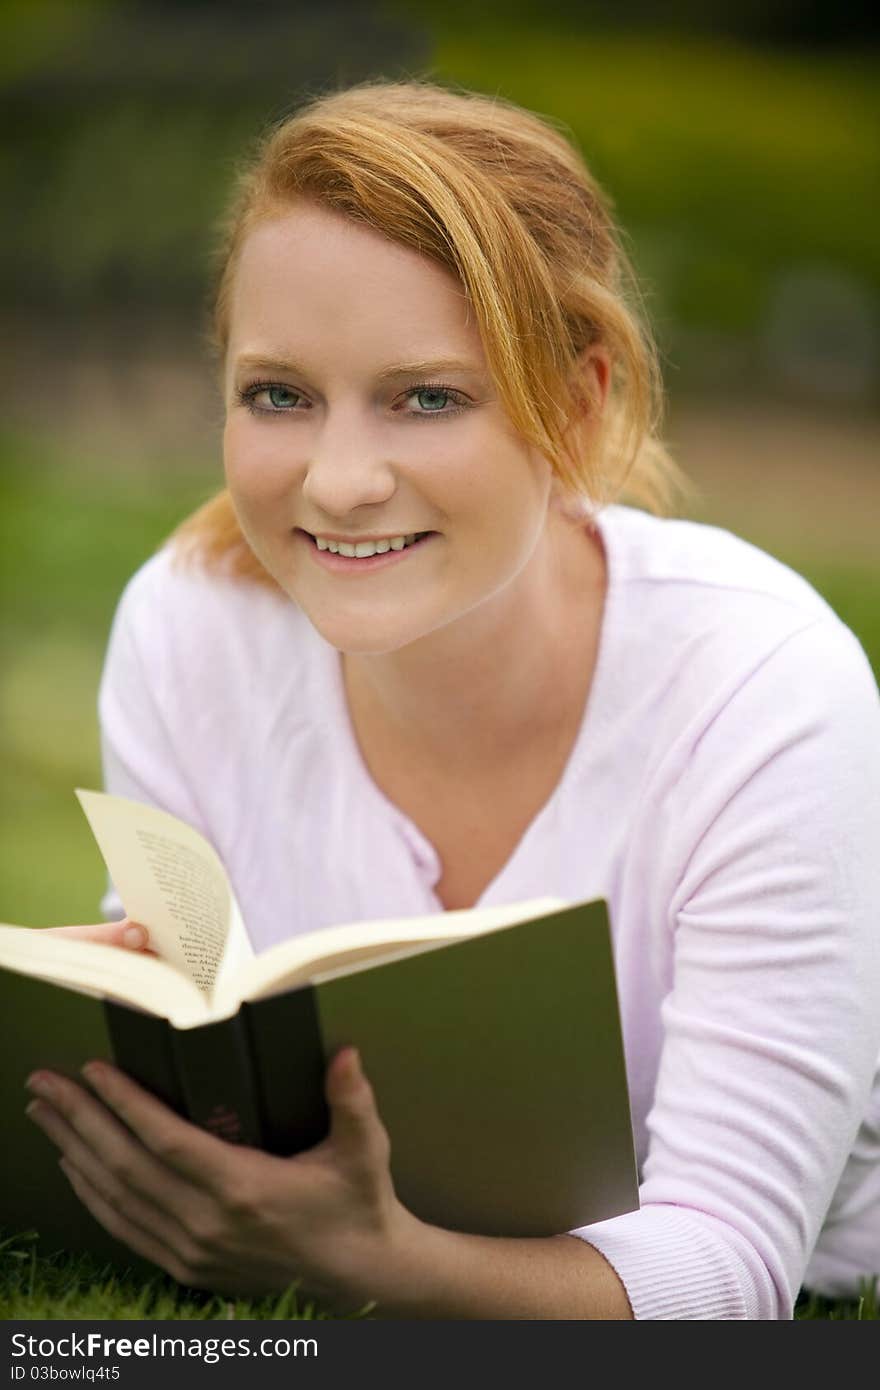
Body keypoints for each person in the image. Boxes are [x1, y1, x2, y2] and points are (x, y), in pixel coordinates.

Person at [26, 79, 880, 1320]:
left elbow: (731, 1274)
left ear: (576, 406)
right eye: (279, 394)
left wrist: (366, 1264)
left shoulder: (764, 689)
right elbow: (200, 1050)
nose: (340, 479)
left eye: (426, 397)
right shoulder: (187, 627)